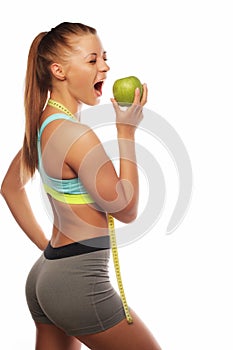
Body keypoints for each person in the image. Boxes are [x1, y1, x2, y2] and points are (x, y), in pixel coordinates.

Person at [1, 22, 162, 350]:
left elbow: (9, 188)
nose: (105, 67)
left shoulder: (44, 125)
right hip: (78, 282)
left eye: (104, 57)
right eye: (92, 60)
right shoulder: (75, 135)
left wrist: (50, 252)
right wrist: (126, 132)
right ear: (59, 70)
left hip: (49, 270)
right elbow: (126, 208)